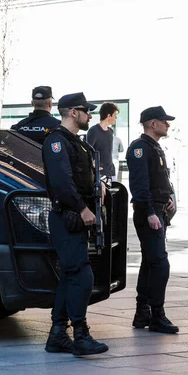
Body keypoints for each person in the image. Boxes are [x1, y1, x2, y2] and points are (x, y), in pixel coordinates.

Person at [42, 92, 108, 356]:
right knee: (81, 275)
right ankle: (80, 335)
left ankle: (58, 334)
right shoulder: (57, 141)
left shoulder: (75, 143)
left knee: (71, 276)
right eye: (86, 111)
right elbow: (61, 182)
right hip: (67, 217)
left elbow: (80, 177)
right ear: (73, 112)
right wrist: (82, 208)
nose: (90, 115)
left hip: (74, 218)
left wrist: (98, 185)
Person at [127, 106, 179, 334]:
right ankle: (157, 314)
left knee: (150, 261)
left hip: (158, 209)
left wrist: (167, 198)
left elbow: (158, 180)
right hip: (148, 212)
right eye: (164, 121)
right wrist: (149, 212)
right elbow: (139, 185)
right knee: (160, 262)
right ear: (152, 123)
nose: (168, 124)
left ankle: (143, 313)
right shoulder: (139, 148)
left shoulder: (154, 147)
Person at [86, 102, 119, 180]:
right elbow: (87, 151)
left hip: (111, 172)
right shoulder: (93, 131)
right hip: (99, 174)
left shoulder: (110, 131)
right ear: (109, 116)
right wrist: (92, 165)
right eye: (115, 115)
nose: (116, 118)